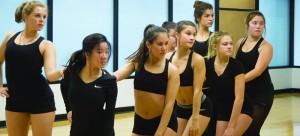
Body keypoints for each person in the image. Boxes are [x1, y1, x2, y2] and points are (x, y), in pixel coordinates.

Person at [0, 1, 63, 136]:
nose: (42, 20)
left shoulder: (46, 45)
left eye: (44, 17)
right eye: (37, 16)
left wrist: (61, 72)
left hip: (41, 100)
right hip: (15, 100)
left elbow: (50, 75)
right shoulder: (10, 37)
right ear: (25, 16)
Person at [113, 24, 179, 136]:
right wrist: (96, 74)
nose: (164, 48)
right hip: (140, 123)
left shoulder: (172, 70)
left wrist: (159, 132)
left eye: (166, 43)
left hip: (164, 124)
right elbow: (116, 76)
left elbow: (169, 105)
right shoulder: (137, 62)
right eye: (159, 44)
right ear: (148, 44)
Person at [60, 33, 117, 136]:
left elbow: (109, 116)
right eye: (99, 52)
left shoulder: (109, 81)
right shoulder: (72, 72)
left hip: (99, 132)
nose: (104, 56)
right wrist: (68, 109)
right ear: (87, 54)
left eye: (107, 52)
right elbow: (64, 86)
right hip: (76, 132)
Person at [167, 20, 212, 136]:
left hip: (201, 108)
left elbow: (197, 91)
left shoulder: (197, 59)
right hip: (181, 108)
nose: (192, 38)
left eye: (194, 34)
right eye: (188, 34)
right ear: (177, 35)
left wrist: (195, 119)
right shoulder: (167, 58)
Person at [234, 11, 274, 136]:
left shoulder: (266, 46)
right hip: (244, 93)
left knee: (251, 131)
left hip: (261, 94)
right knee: (242, 130)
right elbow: (234, 65)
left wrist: (237, 81)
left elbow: (257, 71)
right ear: (247, 25)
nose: (258, 26)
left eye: (261, 24)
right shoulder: (240, 42)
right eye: (255, 23)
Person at [205, 31, 253, 136]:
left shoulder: (237, 66)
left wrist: (231, 126)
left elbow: (239, 99)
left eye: (231, 44)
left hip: (242, 109)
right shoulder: (207, 64)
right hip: (222, 109)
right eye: (225, 44)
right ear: (215, 46)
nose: (229, 47)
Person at [192, 2, 216, 135]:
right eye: (207, 16)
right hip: (195, 89)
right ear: (198, 18)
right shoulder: (191, 38)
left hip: (213, 88)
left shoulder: (215, 38)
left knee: (211, 128)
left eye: (212, 15)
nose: (211, 18)